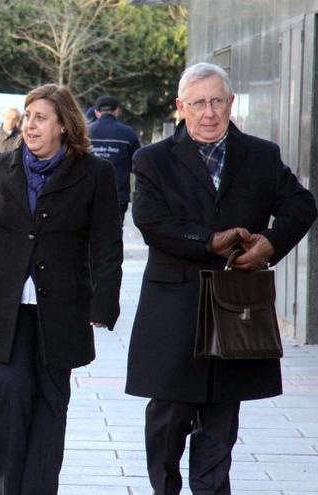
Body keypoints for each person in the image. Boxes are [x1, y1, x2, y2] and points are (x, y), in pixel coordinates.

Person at [125, 63, 317, 495]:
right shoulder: (152, 159)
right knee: (168, 415)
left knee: (221, 418)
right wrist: (208, 240)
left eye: (217, 101)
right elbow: (151, 222)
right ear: (181, 107)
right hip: (174, 307)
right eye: (198, 103)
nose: (209, 112)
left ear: (231, 103)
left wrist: (269, 243)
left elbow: (301, 205)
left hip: (235, 305)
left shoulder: (261, 155)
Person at [0, 83, 123, 495]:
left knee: (50, 402)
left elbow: (106, 243)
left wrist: (105, 301)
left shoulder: (94, 173)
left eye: (41, 117)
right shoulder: (4, 165)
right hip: (5, 305)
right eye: (28, 117)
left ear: (64, 125)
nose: (30, 125)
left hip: (61, 307)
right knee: (9, 395)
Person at [88, 95, 141, 223]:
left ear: (96, 112)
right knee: (114, 233)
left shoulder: (85, 132)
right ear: (117, 111)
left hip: (89, 194)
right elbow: (137, 164)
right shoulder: (128, 133)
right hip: (118, 196)